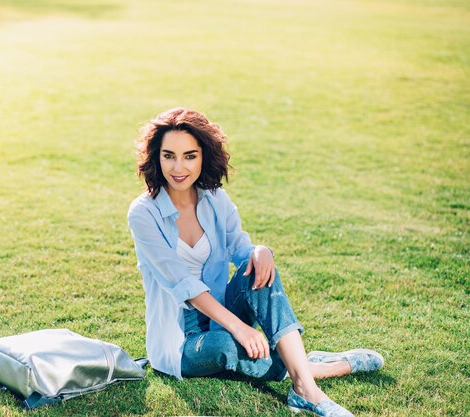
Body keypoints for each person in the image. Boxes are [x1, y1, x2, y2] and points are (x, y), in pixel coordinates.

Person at [127, 108, 384, 416]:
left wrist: (261, 251)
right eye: (169, 156)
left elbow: (241, 250)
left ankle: (304, 390)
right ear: (156, 158)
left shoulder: (214, 198)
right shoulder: (143, 214)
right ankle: (321, 367)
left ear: (203, 157)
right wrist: (241, 329)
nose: (178, 167)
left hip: (221, 309)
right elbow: (184, 284)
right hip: (180, 341)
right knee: (223, 345)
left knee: (260, 275)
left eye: (189, 156)